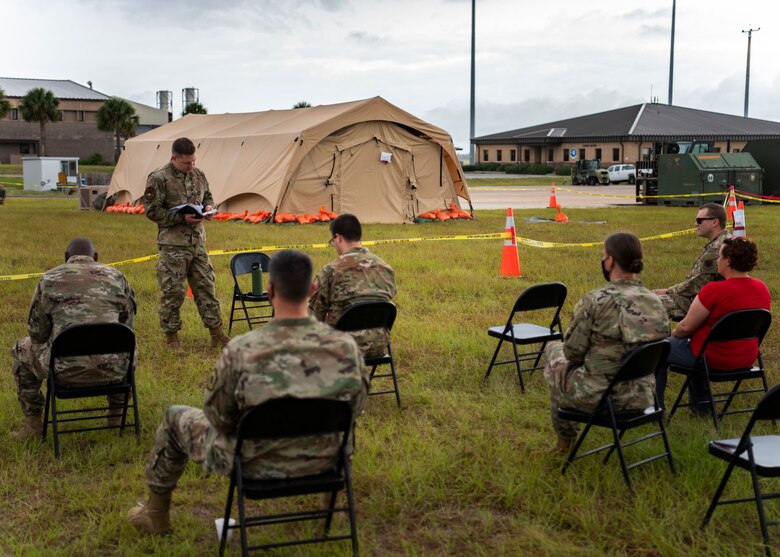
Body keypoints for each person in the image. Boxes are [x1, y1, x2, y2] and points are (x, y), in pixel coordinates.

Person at [127, 250, 368, 535]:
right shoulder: (346, 348)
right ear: (313, 288)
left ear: (269, 291)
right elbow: (355, 407)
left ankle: (156, 515)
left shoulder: (242, 350)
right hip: (326, 457)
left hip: (252, 464)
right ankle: (333, 505)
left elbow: (217, 416)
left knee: (173, 417)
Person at [544, 232, 670, 453]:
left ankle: (564, 444)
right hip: (644, 395)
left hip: (603, 398)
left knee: (555, 353)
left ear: (610, 260)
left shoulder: (595, 300)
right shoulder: (656, 301)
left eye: (604, 256)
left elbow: (572, 353)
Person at [10, 237, 136, 439]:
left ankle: (33, 426)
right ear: (95, 257)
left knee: (20, 349)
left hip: (63, 371)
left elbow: (37, 334)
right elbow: (127, 327)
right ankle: (116, 418)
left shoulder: (49, 279)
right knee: (127, 346)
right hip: (115, 370)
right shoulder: (118, 277)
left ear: (66, 257)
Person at [656, 237, 771, 413]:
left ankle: (656, 408)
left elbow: (686, 327)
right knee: (697, 345)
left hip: (712, 359)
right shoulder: (762, 288)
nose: (717, 260)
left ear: (728, 261)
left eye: (719, 256)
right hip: (747, 357)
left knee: (658, 349)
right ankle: (702, 407)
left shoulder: (714, 290)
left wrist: (671, 335)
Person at [144, 137, 230, 351]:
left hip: (198, 243)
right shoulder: (159, 178)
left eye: (193, 161)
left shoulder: (199, 174)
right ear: (174, 158)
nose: (191, 166)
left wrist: (209, 207)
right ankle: (172, 338)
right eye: (186, 163)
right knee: (173, 292)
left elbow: (208, 196)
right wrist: (181, 219)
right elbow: (152, 211)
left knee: (206, 287)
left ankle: (217, 333)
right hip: (173, 246)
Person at [309, 214, 397, 357]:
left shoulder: (330, 271)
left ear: (338, 238)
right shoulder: (386, 268)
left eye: (333, 241)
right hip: (378, 345)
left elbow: (314, 315)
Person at [654, 203, 729, 321]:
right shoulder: (725, 241)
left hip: (702, 303)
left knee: (650, 302)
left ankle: (661, 339)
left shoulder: (716, 249)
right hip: (708, 299)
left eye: (699, 220)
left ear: (715, 222)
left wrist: (668, 291)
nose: (696, 224)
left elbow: (696, 285)